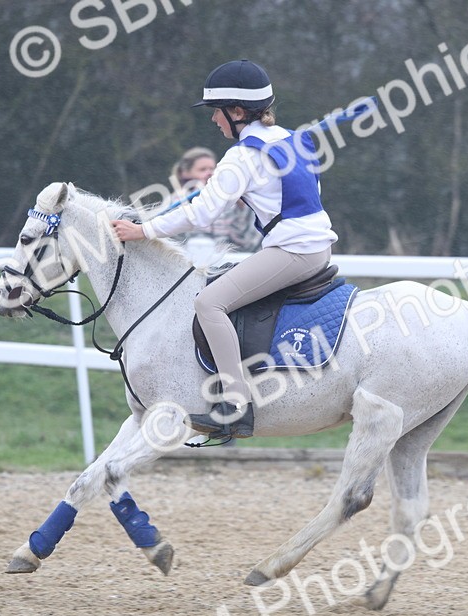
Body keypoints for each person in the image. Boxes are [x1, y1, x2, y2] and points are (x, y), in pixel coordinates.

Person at [111, 59, 337, 439]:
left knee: (209, 303)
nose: (214, 120)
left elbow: (201, 213)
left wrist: (143, 230)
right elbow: (306, 192)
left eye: (217, 111)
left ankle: (235, 405)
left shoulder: (241, 156)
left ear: (237, 111)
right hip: (315, 246)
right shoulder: (293, 138)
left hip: (293, 252)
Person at [169, 147, 263, 252]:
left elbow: (249, 243)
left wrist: (242, 208)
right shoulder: (176, 201)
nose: (210, 173)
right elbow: (175, 240)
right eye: (202, 170)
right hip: (189, 259)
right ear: (185, 173)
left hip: (231, 258)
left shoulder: (232, 201)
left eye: (212, 169)